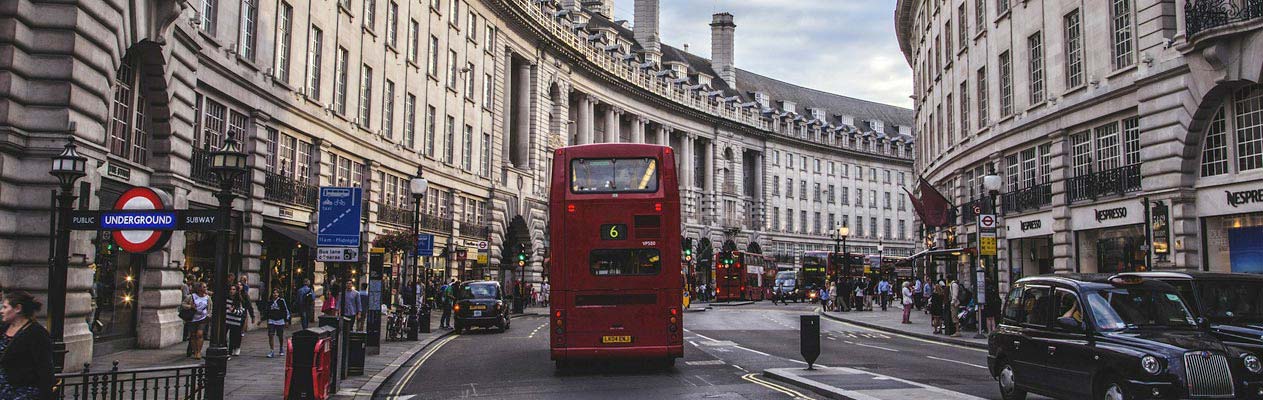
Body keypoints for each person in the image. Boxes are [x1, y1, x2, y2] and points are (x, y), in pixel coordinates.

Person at [0, 291, 54, 399]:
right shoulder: (3, 328)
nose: (1, 311)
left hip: (23, 393)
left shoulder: (36, 333)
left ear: (18, 308)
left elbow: (45, 369)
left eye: (5, 307)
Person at [264, 288, 291, 358]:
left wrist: (287, 320)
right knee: (270, 335)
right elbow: (267, 311)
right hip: (271, 320)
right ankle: (272, 350)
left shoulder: (282, 301)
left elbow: (285, 311)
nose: (275, 294)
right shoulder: (270, 302)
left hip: (280, 320)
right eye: (274, 293)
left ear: (279, 294)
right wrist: (262, 319)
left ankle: (281, 347)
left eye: (276, 293)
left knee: (280, 336)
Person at [186, 282, 210, 359]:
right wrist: (190, 306)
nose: (205, 289)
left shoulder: (207, 298)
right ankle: (195, 351)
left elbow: (210, 308)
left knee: (199, 334)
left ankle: (199, 351)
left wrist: (208, 315)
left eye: (206, 287)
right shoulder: (192, 296)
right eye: (204, 287)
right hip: (193, 318)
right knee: (193, 335)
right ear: (199, 288)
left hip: (203, 318)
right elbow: (183, 304)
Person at [224, 284, 247, 356]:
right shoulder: (226, 299)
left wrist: (233, 310)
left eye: (234, 289)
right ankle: (225, 350)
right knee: (224, 336)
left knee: (232, 338)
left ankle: (230, 352)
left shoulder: (239, 300)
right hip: (227, 320)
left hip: (235, 321)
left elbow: (241, 312)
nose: (231, 291)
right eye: (231, 289)